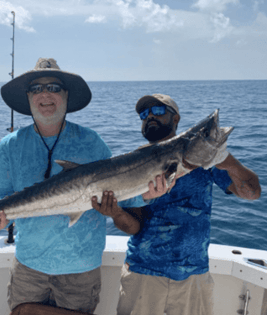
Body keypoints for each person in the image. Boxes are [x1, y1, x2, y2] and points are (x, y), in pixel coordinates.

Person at [0, 58, 165, 315]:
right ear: (29, 97)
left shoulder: (91, 142)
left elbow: (126, 196)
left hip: (81, 270)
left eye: (54, 87)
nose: (45, 94)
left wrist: (147, 194)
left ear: (66, 96)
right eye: (37, 88)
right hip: (29, 267)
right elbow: (1, 198)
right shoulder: (10, 145)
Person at [109, 94, 261, 315]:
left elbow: (252, 193)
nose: (150, 115)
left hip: (194, 275)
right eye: (144, 114)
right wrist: (114, 212)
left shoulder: (206, 162)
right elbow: (133, 227)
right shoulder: (132, 163)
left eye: (159, 111)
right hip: (143, 271)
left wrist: (226, 161)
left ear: (176, 119)